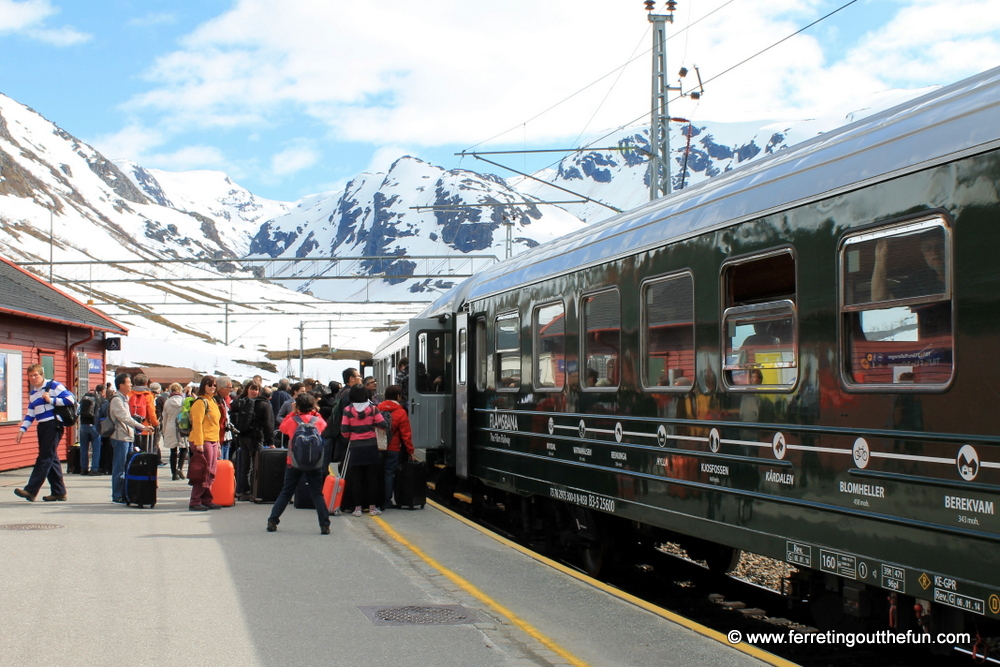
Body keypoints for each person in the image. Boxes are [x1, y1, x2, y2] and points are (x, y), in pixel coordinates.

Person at [266, 393, 330, 534]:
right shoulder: (317, 420)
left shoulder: (292, 420)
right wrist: (315, 412)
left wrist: (292, 412)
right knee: (317, 494)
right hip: (314, 462)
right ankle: (324, 524)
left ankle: (273, 520)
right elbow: (324, 427)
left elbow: (282, 428)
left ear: (298, 406)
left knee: (286, 492)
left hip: (293, 461)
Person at [14, 365, 76, 502]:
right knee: (51, 458)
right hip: (42, 425)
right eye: (30, 376)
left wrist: (52, 400)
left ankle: (31, 490)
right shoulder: (33, 393)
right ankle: (59, 492)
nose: (33, 378)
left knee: (45, 456)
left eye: (35, 375)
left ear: (42, 374)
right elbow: (30, 414)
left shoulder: (53, 385)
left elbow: (71, 399)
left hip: (53, 424)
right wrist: (22, 430)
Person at [106, 373, 154, 504]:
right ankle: (117, 495)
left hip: (127, 436)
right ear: (121, 385)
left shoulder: (125, 398)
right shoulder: (117, 399)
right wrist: (141, 426)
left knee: (127, 467)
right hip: (120, 437)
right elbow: (124, 418)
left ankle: (124, 493)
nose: (131, 385)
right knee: (119, 467)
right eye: (128, 383)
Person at [341, 384, 387, 516]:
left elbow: (344, 431)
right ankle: (372, 508)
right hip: (371, 446)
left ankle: (357, 508)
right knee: (372, 478)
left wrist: (352, 436)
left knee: (357, 478)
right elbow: (383, 424)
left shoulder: (348, 410)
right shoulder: (373, 409)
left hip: (356, 447)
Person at [233, 381, 275, 501]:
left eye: (256, 389)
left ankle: (244, 491)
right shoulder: (264, 404)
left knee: (245, 466)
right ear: (248, 389)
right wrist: (270, 441)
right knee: (255, 466)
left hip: (242, 436)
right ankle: (254, 491)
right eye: (253, 389)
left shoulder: (241, 402)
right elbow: (268, 424)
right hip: (255, 437)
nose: (254, 391)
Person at [188, 375, 222, 511]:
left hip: (213, 439)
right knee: (203, 472)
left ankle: (206, 499)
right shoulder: (200, 402)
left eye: (214, 385)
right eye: (210, 385)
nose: (213, 388)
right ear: (204, 386)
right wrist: (199, 443)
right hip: (203, 440)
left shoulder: (212, 401)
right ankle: (195, 500)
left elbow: (215, 424)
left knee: (211, 471)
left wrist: (218, 442)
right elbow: (197, 423)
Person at [377, 385, 414, 509]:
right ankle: (387, 501)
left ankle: (377, 499)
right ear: (398, 396)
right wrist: (410, 451)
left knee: (378, 473)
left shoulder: (378, 408)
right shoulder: (401, 412)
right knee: (389, 473)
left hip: (378, 446)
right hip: (393, 448)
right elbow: (406, 434)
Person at [161, 383, 188, 480]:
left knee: (173, 451)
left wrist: (164, 431)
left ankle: (173, 473)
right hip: (182, 426)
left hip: (170, 426)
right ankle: (180, 468)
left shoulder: (167, 402)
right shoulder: (184, 401)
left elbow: (165, 418)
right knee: (183, 448)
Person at [78, 384, 104, 476]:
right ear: (102, 390)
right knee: (96, 448)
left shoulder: (85, 396)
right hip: (94, 426)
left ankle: (83, 469)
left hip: (83, 425)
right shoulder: (99, 398)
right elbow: (102, 412)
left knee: (84, 448)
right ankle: (94, 469)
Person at [216, 376, 234, 461]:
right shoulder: (215, 401)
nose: (231, 390)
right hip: (218, 438)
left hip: (226, 437)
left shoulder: (224, 399)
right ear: (221, 388)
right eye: (229, 387)